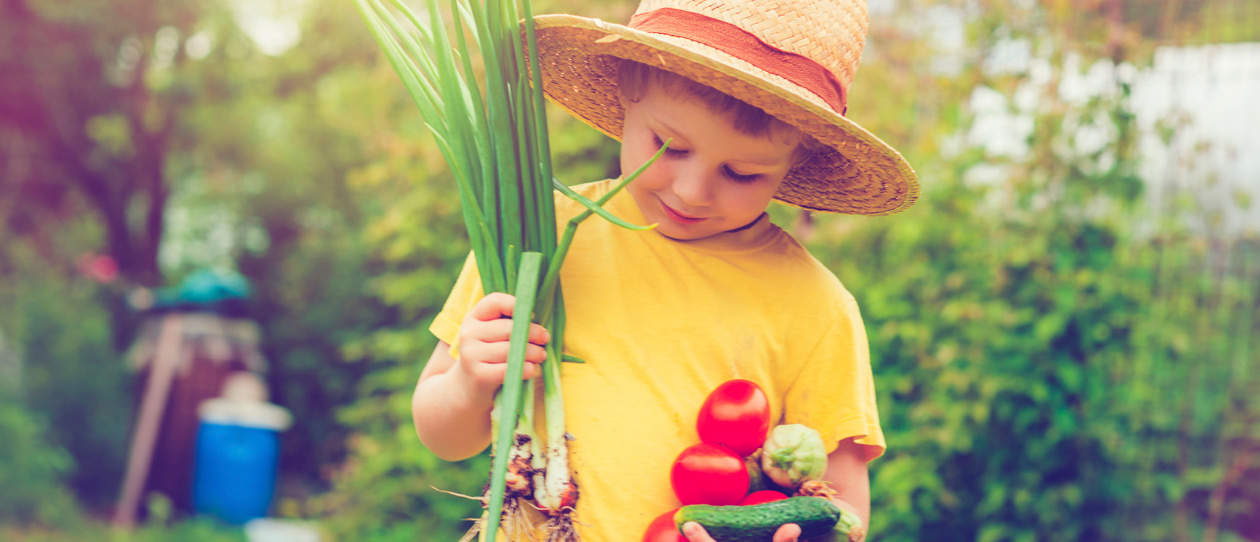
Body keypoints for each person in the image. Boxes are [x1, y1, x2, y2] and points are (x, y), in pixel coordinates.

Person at [412, 0, 918, 540]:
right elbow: (442, 436)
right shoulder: (537, 232)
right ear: (628, 88)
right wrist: (469, 382)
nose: (691, 191)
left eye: (742, 173)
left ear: (799, 159)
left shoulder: (818, 308)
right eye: (669, 147)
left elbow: (842, 511)